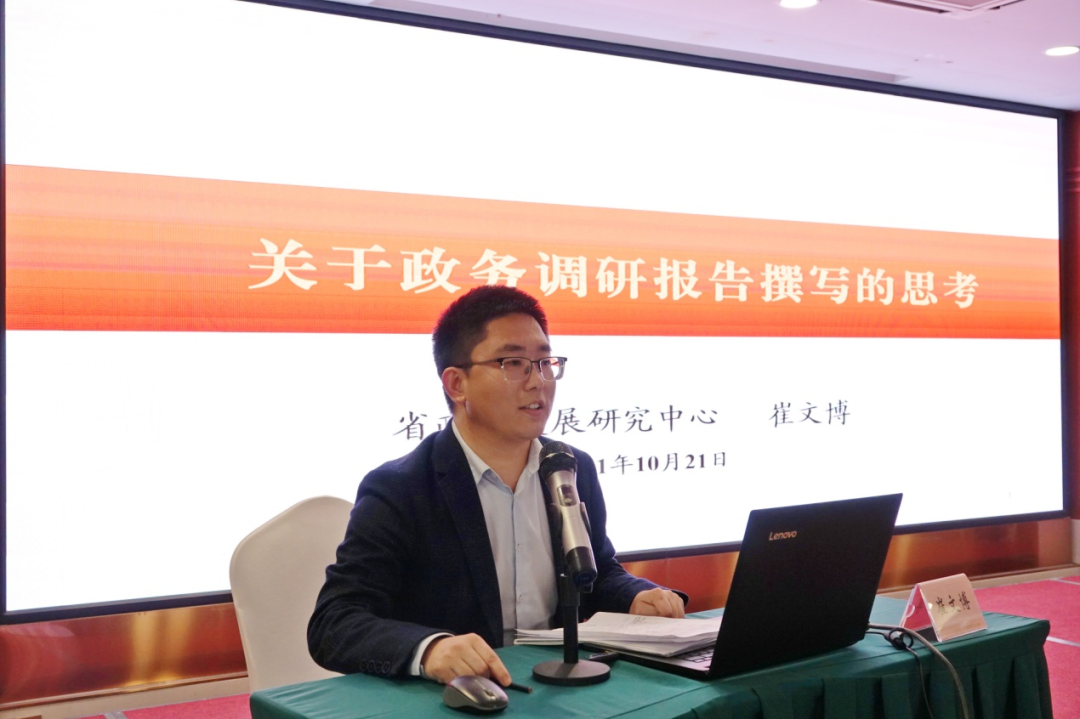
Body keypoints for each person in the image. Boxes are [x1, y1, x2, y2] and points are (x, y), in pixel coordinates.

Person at [308, 285, 686, 687]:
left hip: (558, 685)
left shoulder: (570, 468)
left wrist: (635, 595)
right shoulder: (401, 488)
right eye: (514, 363)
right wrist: (430, 649)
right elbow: (335, 621)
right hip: (461, 697)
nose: (538, 381)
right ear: (457, 384)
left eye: (545, 362)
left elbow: (595, 573)